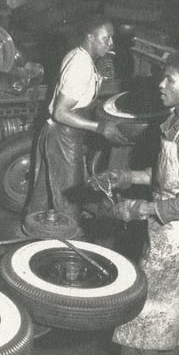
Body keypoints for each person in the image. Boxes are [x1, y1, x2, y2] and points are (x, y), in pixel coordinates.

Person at [90, 50, 179, 355]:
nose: (161, 84)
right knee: (150, 317)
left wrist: (139, 208)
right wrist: (127, 176)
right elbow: (169, 176)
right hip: (163, 229)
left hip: (177, 238)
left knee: (150, 319)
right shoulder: (178, 120)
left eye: (171, 79)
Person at [25, 15, 129, 230]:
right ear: (90, 37)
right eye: (106, 38)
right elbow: (61, 113)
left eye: (111, 39)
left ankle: (31, 234)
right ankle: (68, 245)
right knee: (70, 200)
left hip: (60, 136)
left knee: (43, 193)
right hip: (62, 136)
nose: (111, 44)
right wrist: (100, 127)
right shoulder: (80, 65)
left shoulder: (81, 57)